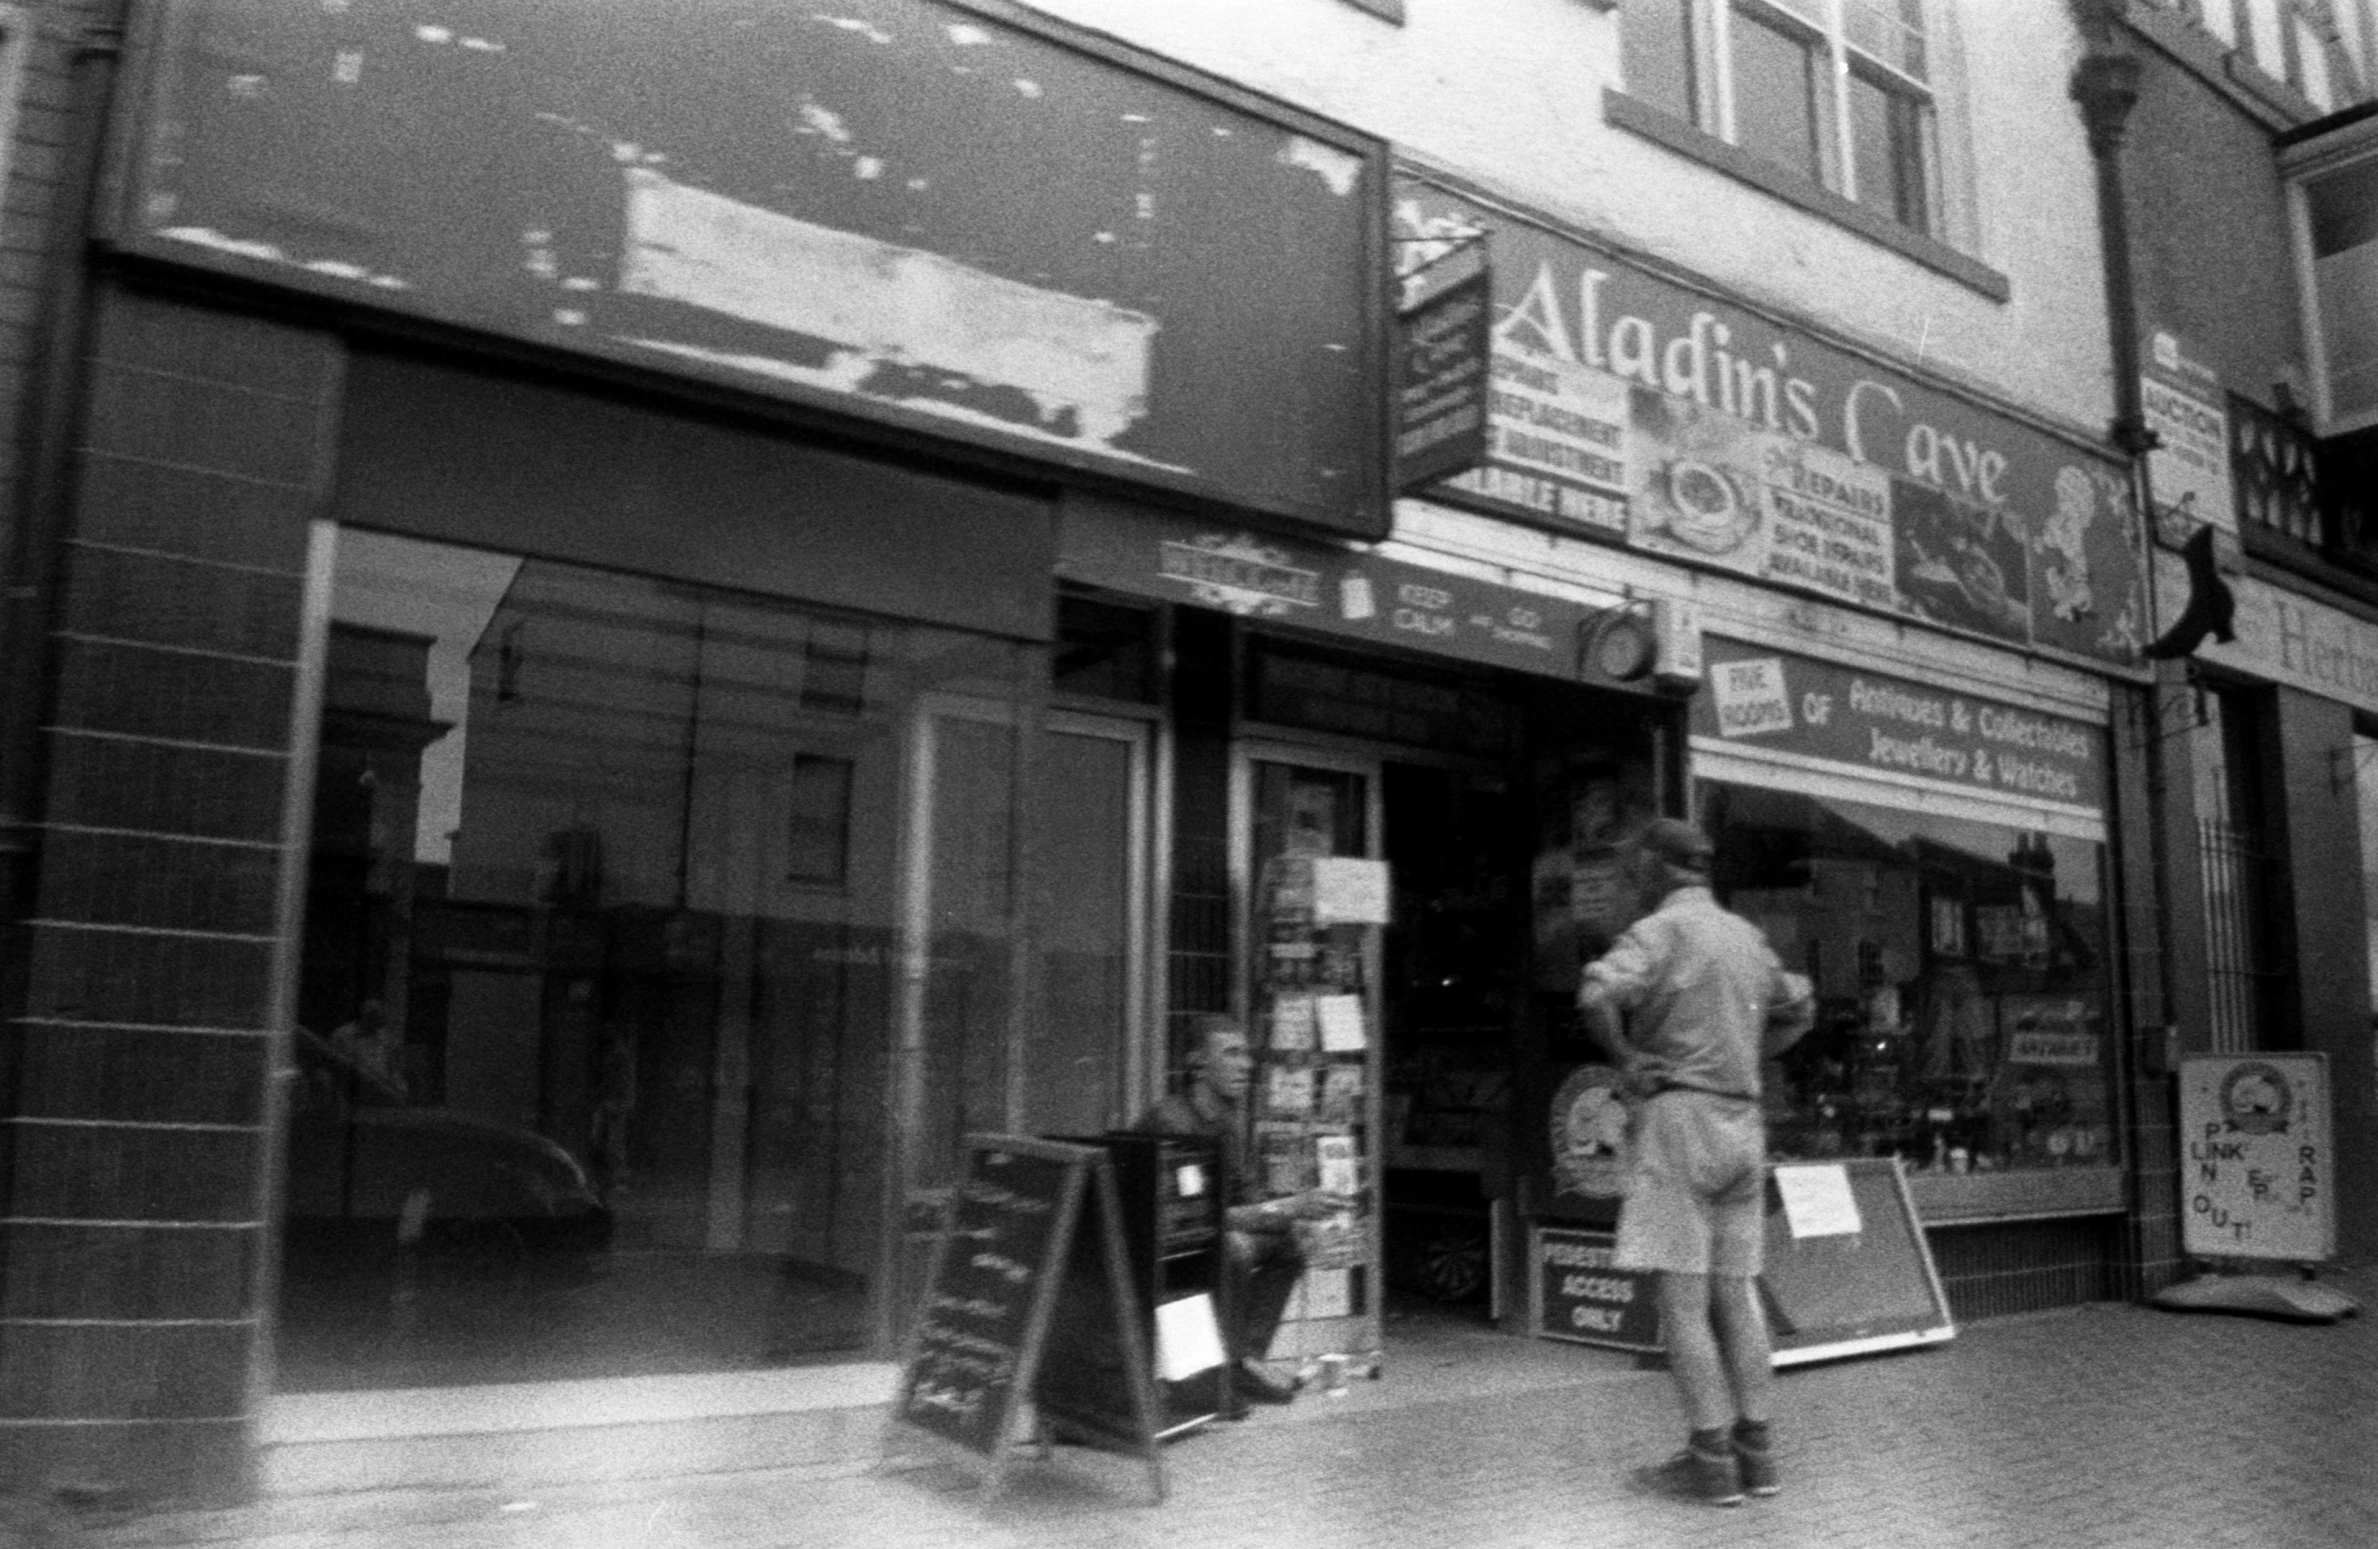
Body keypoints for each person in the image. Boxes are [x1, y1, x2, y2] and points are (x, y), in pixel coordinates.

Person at [1576, 818, 1814, 1508]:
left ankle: (1709, 1458)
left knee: (1680, 1302)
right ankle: (1757, 1455)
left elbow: (1596, 993)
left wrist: (1626, 1058)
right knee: (1736, 1292)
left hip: (1681, 1120)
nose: (1631, 879)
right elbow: (1799, 1008)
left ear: (1661, 866)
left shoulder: (1661, 930)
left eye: (1636, 867)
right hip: (1744, 1122)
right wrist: (1747, 1051)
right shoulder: (1746, 936)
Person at [1136, 1014, 1340, 1417]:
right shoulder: (1172, 1121)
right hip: (1157, 1248)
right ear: (1197, 1063)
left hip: (1196, 1239)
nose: (1246, 1064)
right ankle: (1214, 1374)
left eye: (1246, 1054)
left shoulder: (1227, 1122)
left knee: (1288, 1242)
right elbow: (1196, 1217)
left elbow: (1245, 1194)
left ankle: (1241, 1361)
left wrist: (1292, 1218)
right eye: (1231, 1053)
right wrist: (1287, 1207)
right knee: (1234, 1248)